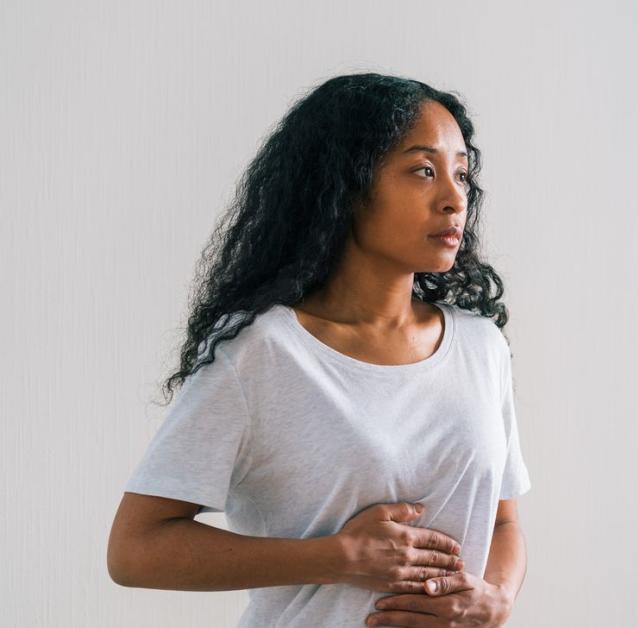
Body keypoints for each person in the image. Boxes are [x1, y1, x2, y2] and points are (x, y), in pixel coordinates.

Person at [106, 73, 530, 628]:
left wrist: (496, 598)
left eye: (461, 175)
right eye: (423, 170)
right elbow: (135, 549)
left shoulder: (481, 346)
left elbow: (502, 524)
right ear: (347, 186)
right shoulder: (262, 352)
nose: (454, 200)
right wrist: (339, 558)